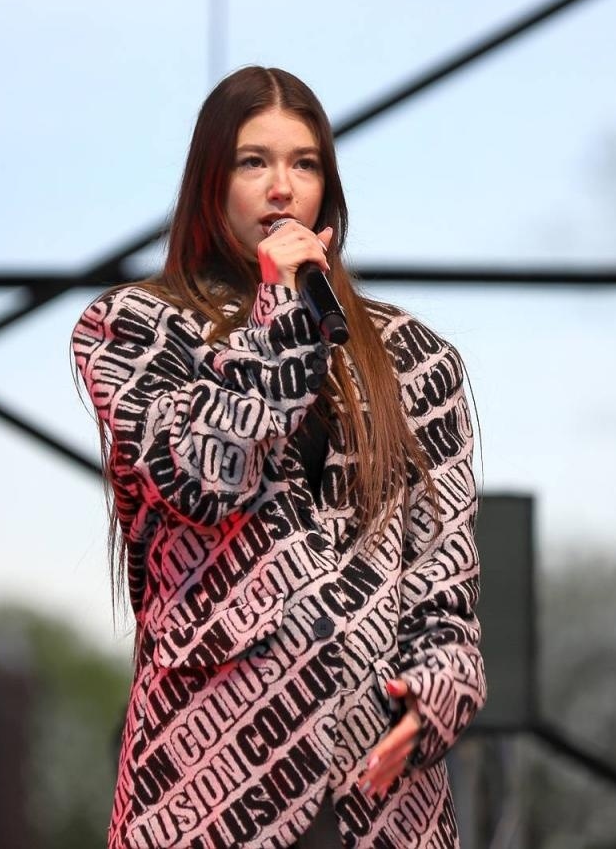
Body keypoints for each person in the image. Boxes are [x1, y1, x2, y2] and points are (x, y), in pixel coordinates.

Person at [71, 65, 484, 849]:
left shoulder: (417, 359)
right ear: (210, 181)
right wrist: (282, 317)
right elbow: (202, 475)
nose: (283, 187)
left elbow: (446, 572)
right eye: (253, 161)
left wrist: (434, 692)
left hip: (378, 786)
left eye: (304, 163)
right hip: (212, 779)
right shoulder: (132, 329)